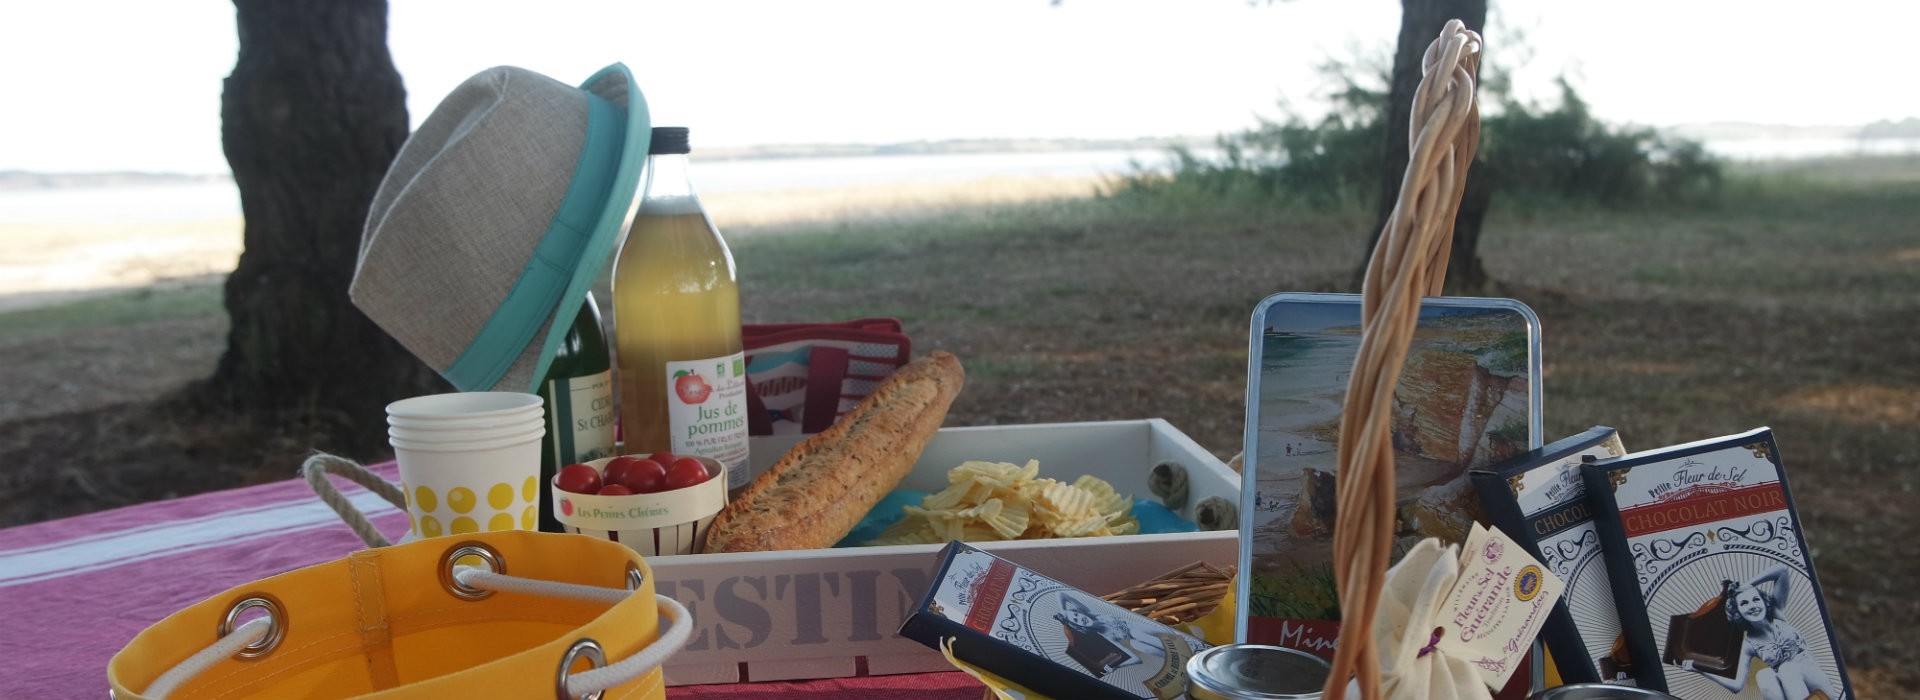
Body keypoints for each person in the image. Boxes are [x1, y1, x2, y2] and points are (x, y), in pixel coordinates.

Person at [1678, 566, 1833, 700]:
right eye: (1744, 603)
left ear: (1763, 602)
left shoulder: (1776, 613)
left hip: (1819, 687)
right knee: (1764, 676)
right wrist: (1698, 669)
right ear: (1738, 611)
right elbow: (1736, 686)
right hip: (1794, 690)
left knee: (1787, 669)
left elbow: (1781, 571)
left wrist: (1745, 586)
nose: (1752, 606)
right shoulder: (1749, 645)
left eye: (1755, 600)